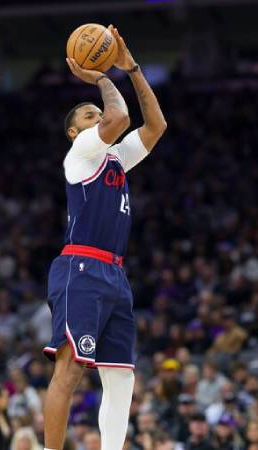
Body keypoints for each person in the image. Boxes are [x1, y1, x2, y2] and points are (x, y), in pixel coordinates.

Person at [41, 26, 167, 450]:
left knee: (122, 376)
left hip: (114, 272)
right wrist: (99, 76)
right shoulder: (81, 155)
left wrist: (131, 67)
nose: (98, 116)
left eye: (97, 111)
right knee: (70, 370)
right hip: (81, 266)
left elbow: (156, 124)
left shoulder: (116, 157)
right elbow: (120, 117)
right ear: (76, 133)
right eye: (88, 116)